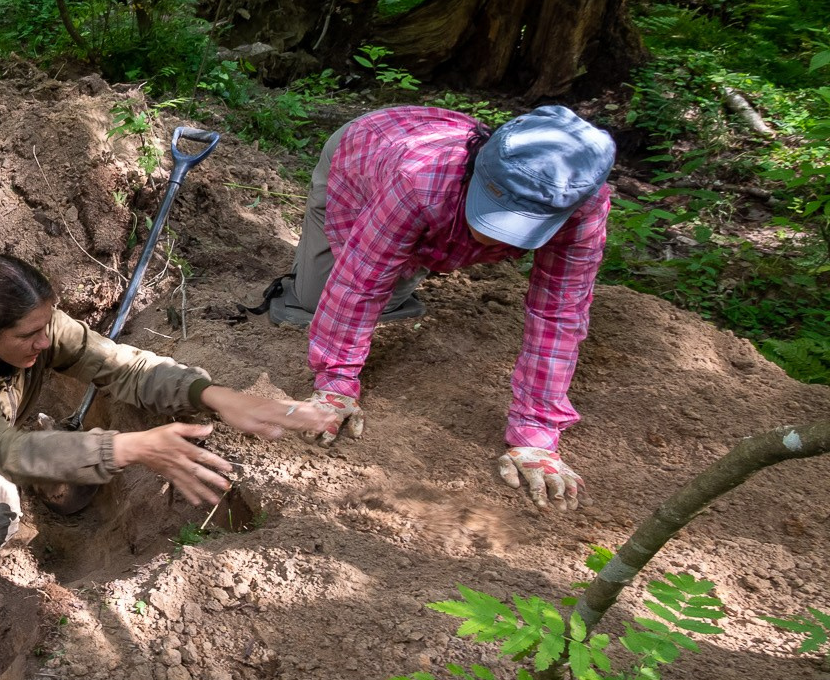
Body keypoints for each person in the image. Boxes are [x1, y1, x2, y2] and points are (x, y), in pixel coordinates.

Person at [0, 254, 334, 586]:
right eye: (30, 335)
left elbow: (122, 365)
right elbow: (3, 448)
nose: (46, 342)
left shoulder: (39, 327)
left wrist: (210, 393)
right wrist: (128, 448)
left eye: (49, 325)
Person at [256, 104, 615, 512]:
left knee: (395, 270)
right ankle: (408, 246)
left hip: (425, 195)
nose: (490, 235)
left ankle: (415, 249)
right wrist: (335, 385)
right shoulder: (417, 179)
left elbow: (559, 315)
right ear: (477, 170)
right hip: (365, 156)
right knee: (317, 298)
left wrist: (536, 436)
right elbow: (359, 282)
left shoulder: (583, 208)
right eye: (492, 210)